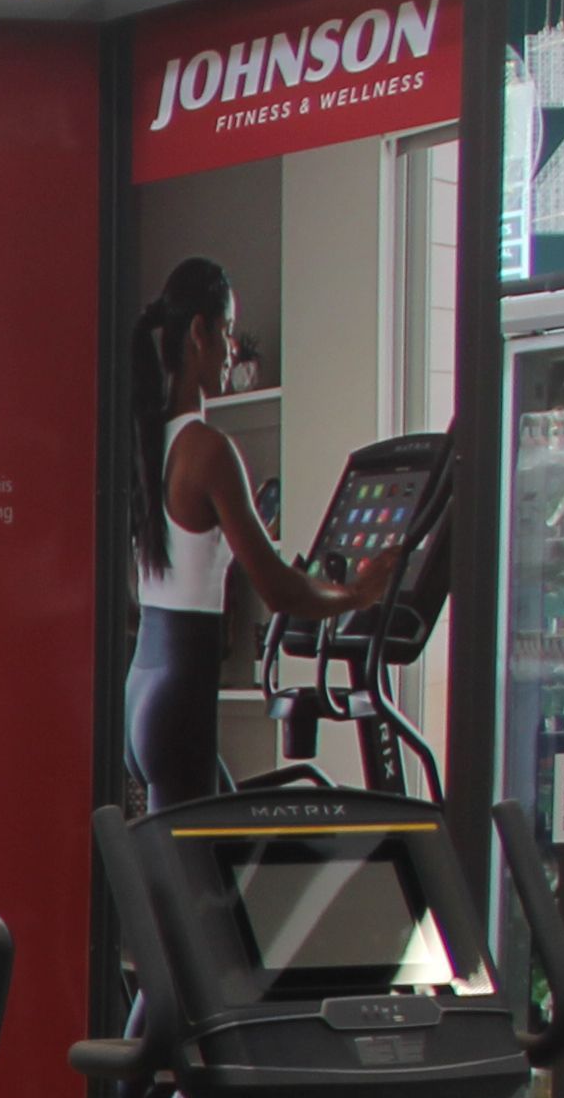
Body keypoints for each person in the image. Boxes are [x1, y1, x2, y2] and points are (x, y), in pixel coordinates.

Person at [125, 258, 387, 807]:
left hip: (145, 692)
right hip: (179, 704)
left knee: (223, 864)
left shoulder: (151, 444)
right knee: (202, 890)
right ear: (199, 332)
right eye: (226, 334)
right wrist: (359, 594)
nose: (233, 353)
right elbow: (280, 592)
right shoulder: (207, 449)